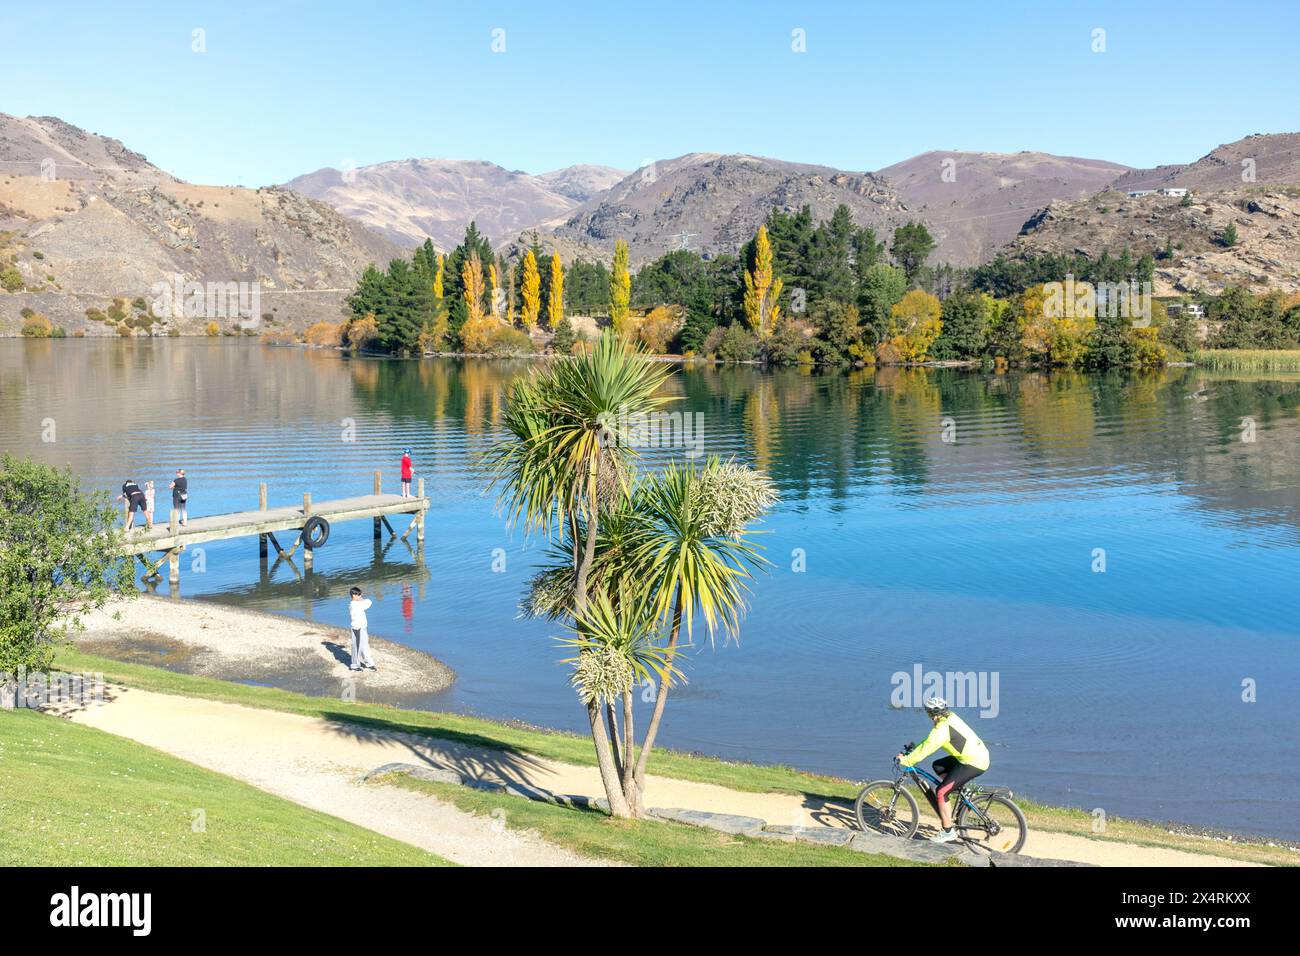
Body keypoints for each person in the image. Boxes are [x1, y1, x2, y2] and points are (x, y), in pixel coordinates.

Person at [896, 696, 990, 844]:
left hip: (973, 762)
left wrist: (906, 760)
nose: (928, 716)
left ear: (932, 714)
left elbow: (927, 748)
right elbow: (928, 741)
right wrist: (913, 750)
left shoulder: (942, 729)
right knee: (938, 766)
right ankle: (955, 789)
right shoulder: (950, 717)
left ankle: (947, 832)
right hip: (977, 755)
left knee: (940, 791)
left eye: (928, 713)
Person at [348, 586, 376, 672]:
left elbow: (367, 603)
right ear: (354, 595)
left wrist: (360, 599)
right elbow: (369, 602)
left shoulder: (357, 603)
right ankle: (354, 665)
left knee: (364, 646)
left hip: (362, 627)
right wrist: (361, 599)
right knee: (356, 647)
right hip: (357, 628)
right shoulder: (354, 604)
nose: (360, 596)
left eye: (360, 594)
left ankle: (369, 663)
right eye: (358, 595)